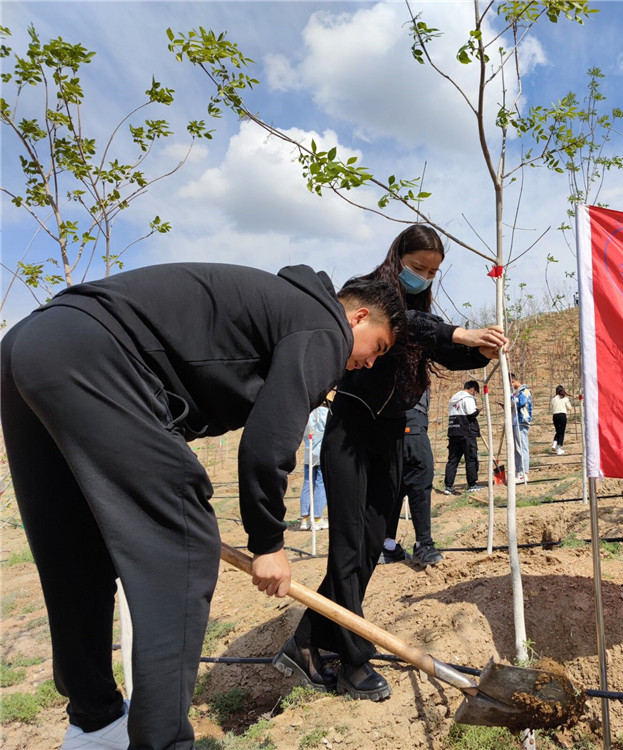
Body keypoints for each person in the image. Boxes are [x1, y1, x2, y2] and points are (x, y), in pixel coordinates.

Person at [0, 263, 405, 750]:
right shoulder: (324, 326)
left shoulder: (279, 308)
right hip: (97, 355)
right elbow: (267, 442)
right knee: (183, 548)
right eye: (377, 348)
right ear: (358, 318)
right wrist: (268, 541)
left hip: (30, 347)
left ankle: (95, 723)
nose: (368, 363)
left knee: (76, 550)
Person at [276, 225, 508, 702]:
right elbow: (412, 325)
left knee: (368, 547)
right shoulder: (369, 294)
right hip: (350, 432)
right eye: (419, 267)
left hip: (391, 439)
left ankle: (304, 641)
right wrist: (460, 331)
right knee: (347, 546)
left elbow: (436, 344)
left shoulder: (421, 313)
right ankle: (350, 661)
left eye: (433, 272)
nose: (424, 277)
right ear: (399, 256)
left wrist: (477, 353)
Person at [379, 389, 444, 566]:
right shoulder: (409, 363)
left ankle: (387, 546)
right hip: (410, 419)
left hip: (387, 425)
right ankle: (423, 544)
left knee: (395, 484)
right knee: (420, 479)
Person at [444, 380, 485, 495]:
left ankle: (448, 486)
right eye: (475, 392)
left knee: (453, 460)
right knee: (471, 458)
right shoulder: (467, 398)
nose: (474, 394)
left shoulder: (454, 398)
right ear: (472, 389)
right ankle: (472, 484)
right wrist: (478, 411)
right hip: (466, 432)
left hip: (453, 432)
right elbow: (471, 413)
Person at [299, 403, 330, 531]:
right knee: (321, 482)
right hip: (321, 452)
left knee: (308, 482)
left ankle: (305, 519)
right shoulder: (326, 412)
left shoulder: (308, 413)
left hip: (309, 452)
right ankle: (317, 518)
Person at [510, 373, 533, 483]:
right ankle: (519, 471)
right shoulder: (517, 392)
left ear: (513, 381)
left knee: (522, 448)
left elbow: (521, 402)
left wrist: (510, 397)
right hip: (516, 422)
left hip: (521, 422)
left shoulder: (524, 391)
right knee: (517, 448)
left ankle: (523, 473)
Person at [550, 385, 572, 455]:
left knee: (558, 431)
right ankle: (559, 448)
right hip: (562, 415)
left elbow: (552, 406)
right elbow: (569, 408)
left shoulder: (553, 399)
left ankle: (554, 443)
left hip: (555, 416)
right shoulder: (565, 399)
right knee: (561, 432)